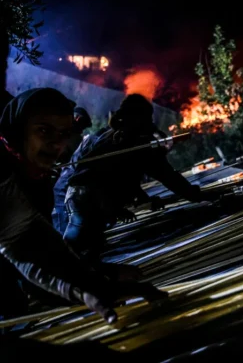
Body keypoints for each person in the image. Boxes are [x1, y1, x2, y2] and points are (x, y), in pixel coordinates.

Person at [0, 88, 167, 323]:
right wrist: (92, 283)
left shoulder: (34, 180)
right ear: (18, 131)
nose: (56, 143)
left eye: (64, 133)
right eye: (43, 130)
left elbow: (31, 246)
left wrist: (94, 284)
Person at [62, 93, 204, 262]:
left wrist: (143, 199)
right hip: (88, 198)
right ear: (139, 118)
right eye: (147, 117)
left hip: (81, 196)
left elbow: (125, 177)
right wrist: (194, 195)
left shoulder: (112, 135)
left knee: (88, 248)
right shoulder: (133, 142)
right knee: (75, 249)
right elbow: (166, 175)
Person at [52, 106, 93, 233]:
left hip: (66, 181)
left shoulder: (74, 138)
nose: (81, 130)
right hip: (62, 182)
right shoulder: (71, 138)